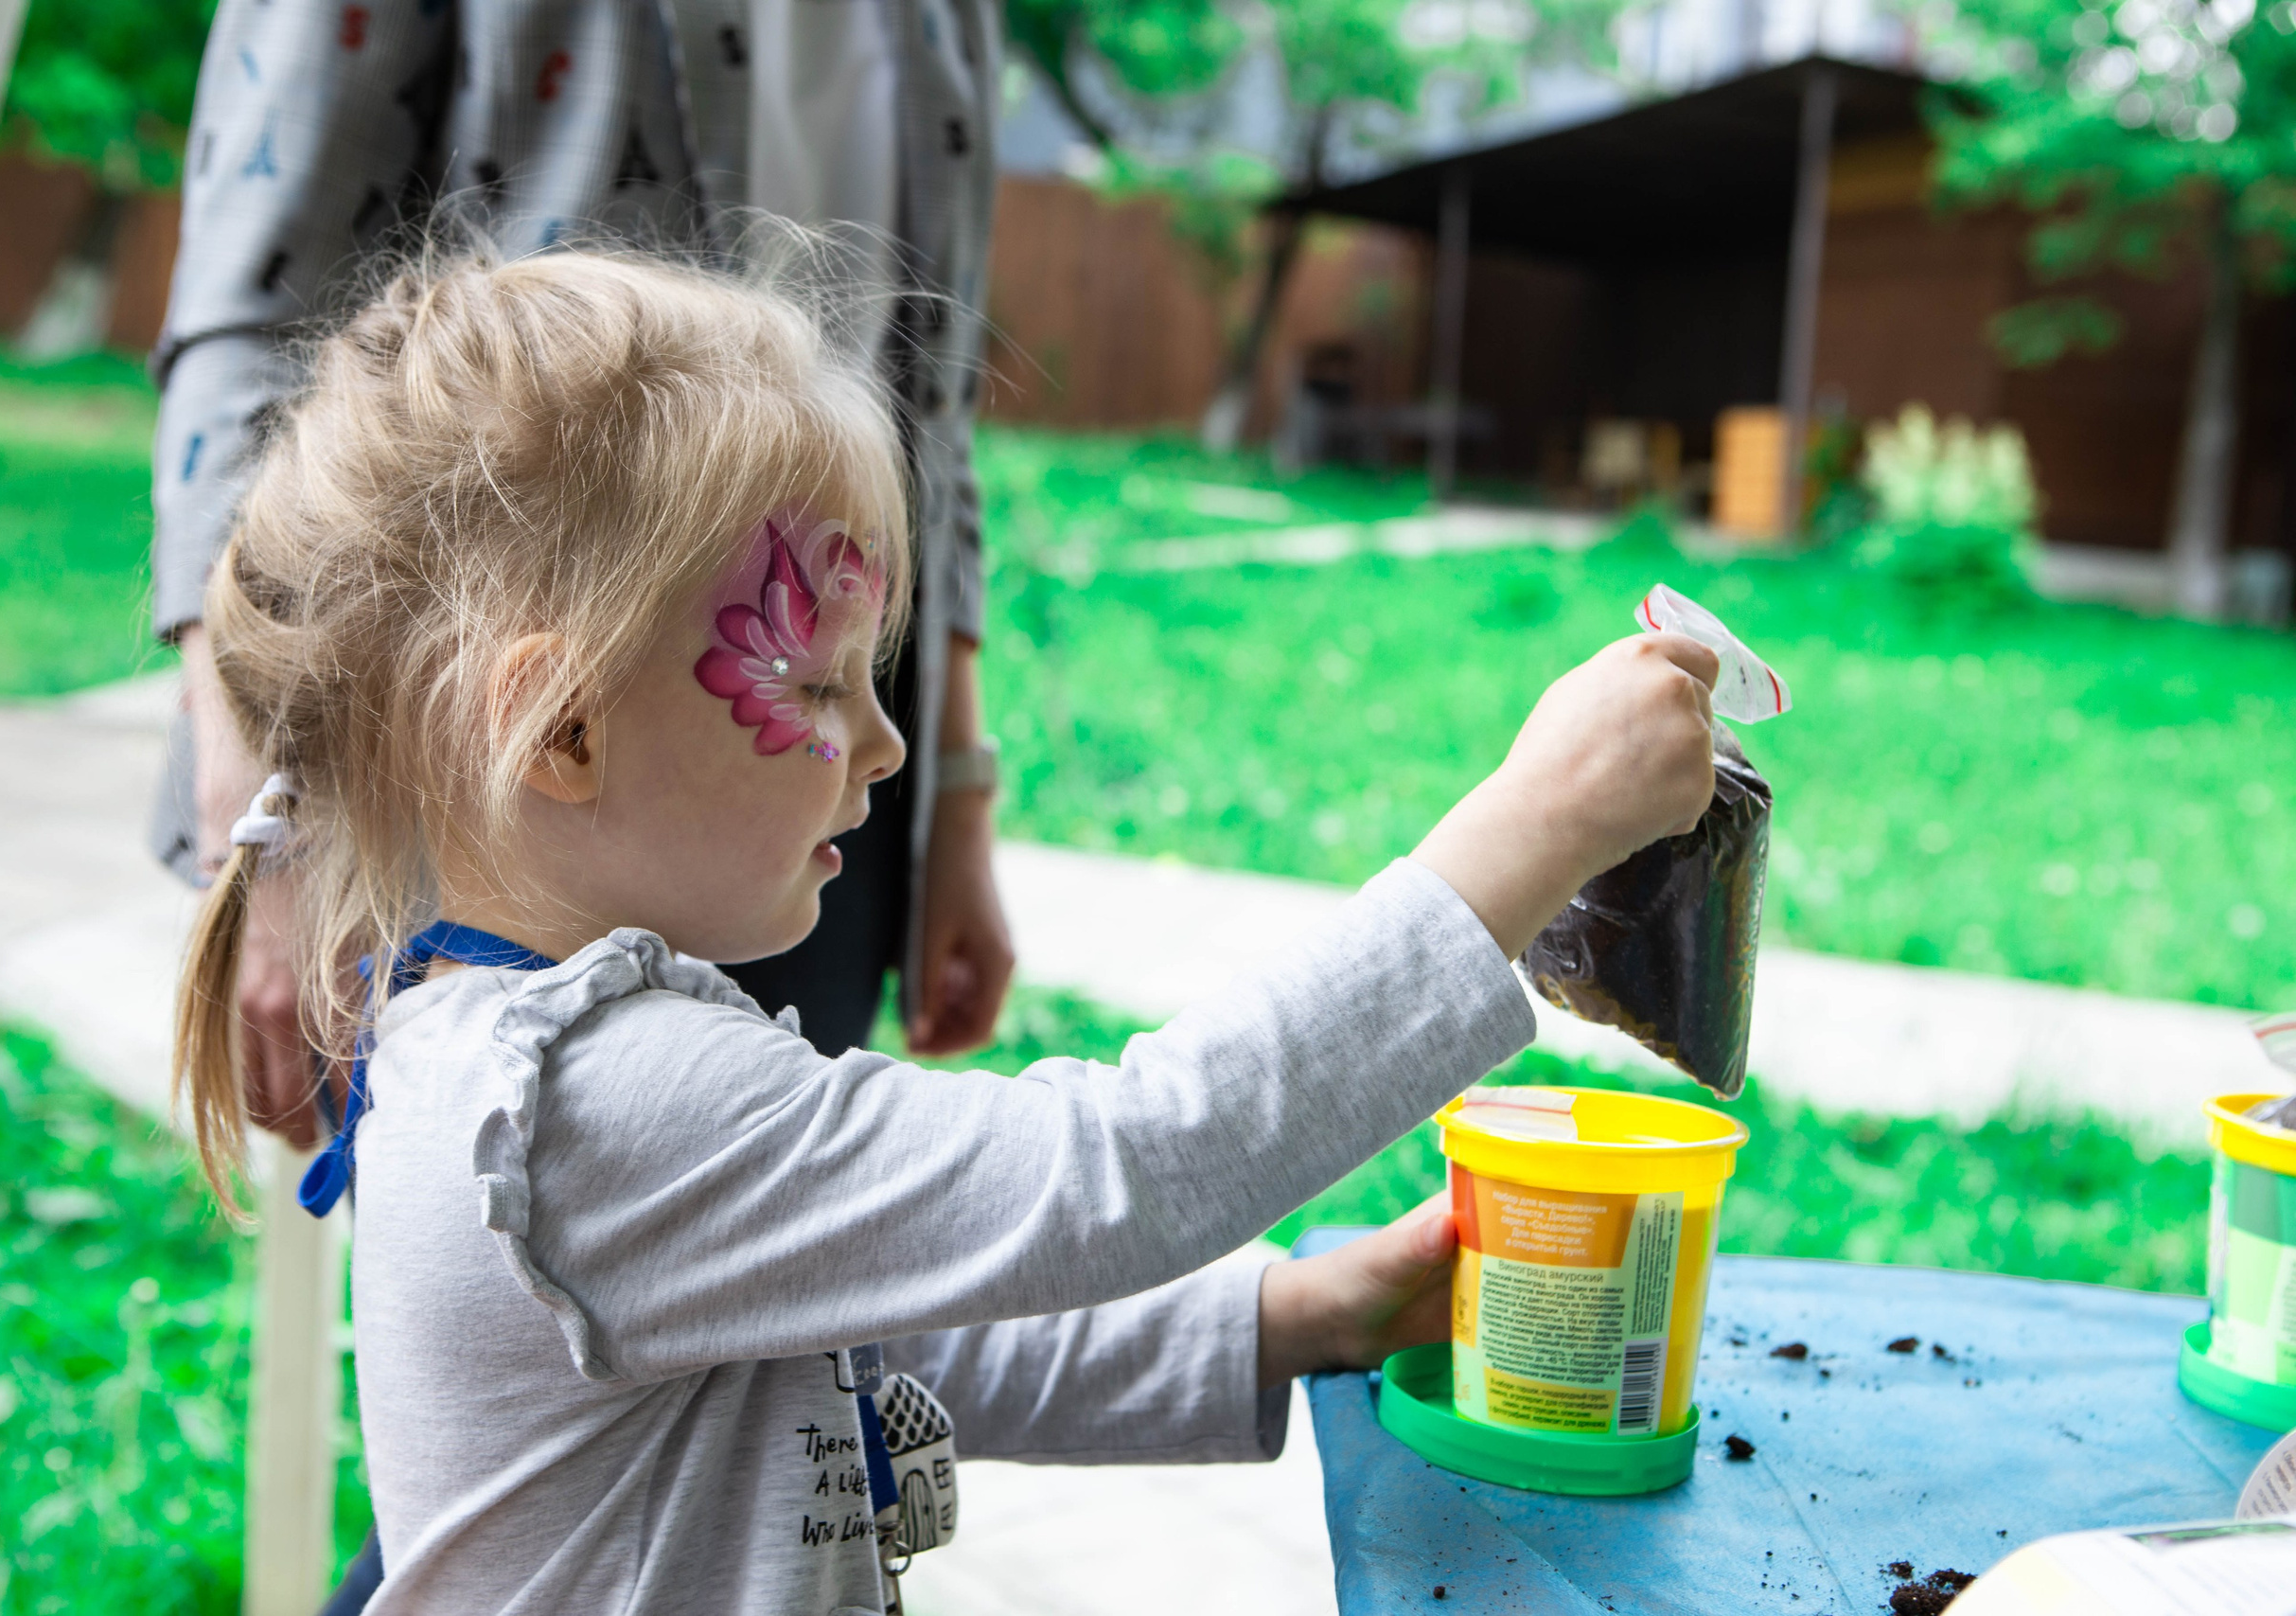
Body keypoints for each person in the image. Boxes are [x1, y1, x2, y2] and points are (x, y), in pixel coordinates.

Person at [172, 248, 1722, 1614]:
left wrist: (1289, 1314)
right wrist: (1533, 834)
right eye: (815, 684)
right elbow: (1106, 1169)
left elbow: (890, 1335)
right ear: (562, 726)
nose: (885, 745)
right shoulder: (584, 1105)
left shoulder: (536, 1055)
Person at [150, 0, 1013, 1169]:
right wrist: (268, 822)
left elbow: (937, 417)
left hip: (790, 737)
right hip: (478, 757)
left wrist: (953, 800)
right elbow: (254, 320)